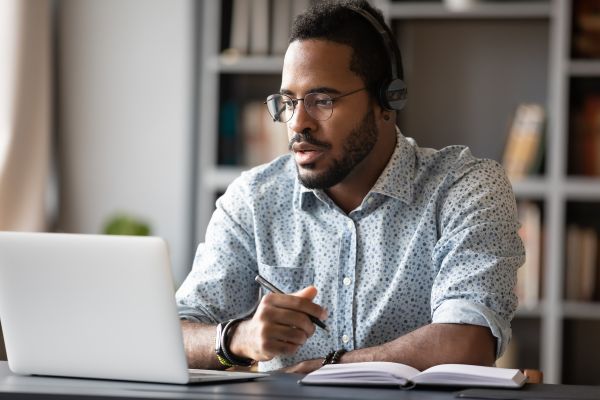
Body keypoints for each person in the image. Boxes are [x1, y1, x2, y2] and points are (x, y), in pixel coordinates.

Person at [176, 0, 524, 374]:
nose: (297, 124)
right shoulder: (254, 199)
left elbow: (466, 343)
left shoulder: (465, 188)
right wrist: (237, 338)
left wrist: (330, 366)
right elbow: (173, 334)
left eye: (322, 100)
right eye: (288, 102)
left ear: (387, 101)